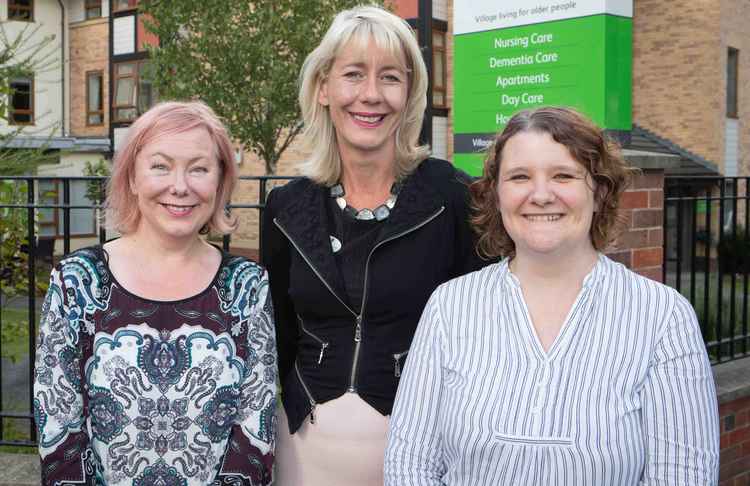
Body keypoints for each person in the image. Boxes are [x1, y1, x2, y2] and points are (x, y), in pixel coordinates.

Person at [384, 106, 720, 485]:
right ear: (496, 194)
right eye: (520, 176)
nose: (541, 195)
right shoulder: (450, 307)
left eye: (563, 175)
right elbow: (410, 465)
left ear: (600, 191)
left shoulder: (662, 317)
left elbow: (684, 476)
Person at [261, 5, 485, 485]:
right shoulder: (286, 208)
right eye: (353, 75)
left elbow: (483, 341)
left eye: (389, 77)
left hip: (423, 464)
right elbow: (276, 342)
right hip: (304, 464)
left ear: (408, 94)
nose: (371, 95)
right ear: (323, 88)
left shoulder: (451, 198)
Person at [33, 101, 277, 485]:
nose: (179, 186)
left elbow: (255, 430)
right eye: (160, 166)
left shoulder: (246, 286)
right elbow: (59, 429)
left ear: (220, 182)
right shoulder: (77, 280)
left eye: (199, 168)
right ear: (132, 177)